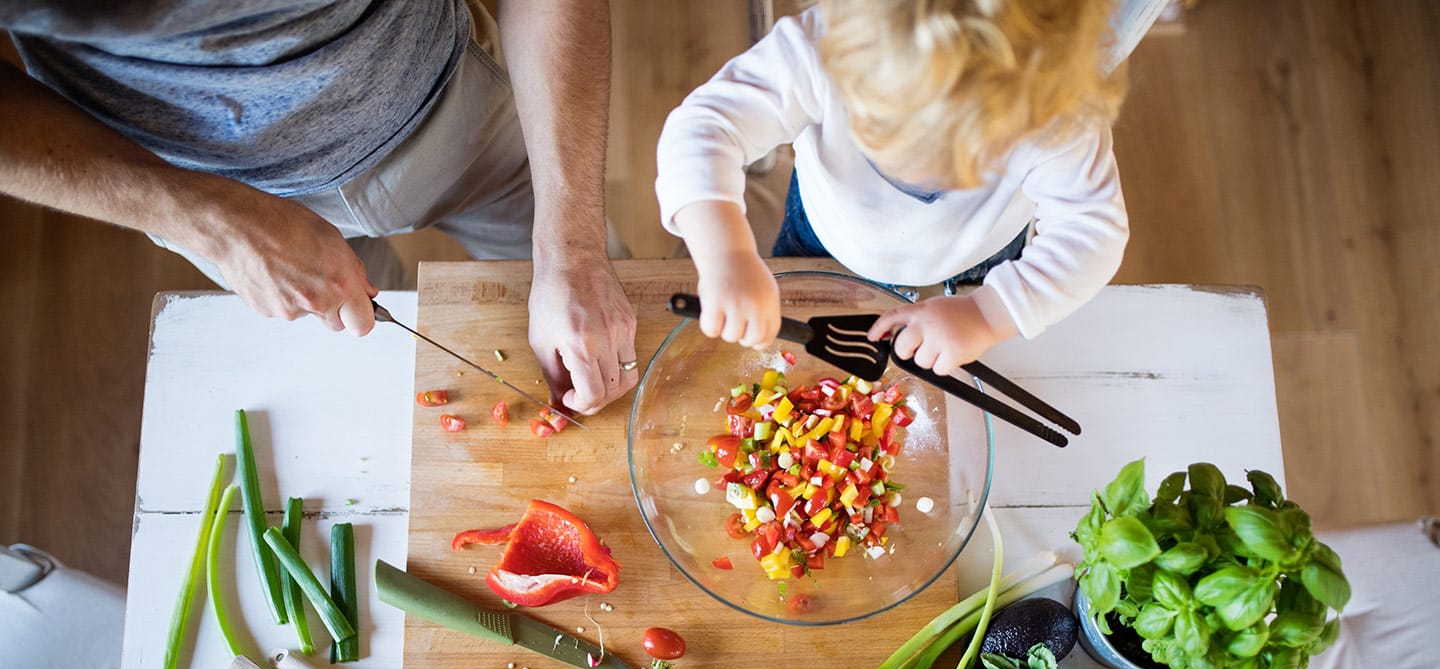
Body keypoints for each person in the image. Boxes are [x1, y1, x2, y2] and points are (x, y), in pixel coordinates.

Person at [0, 0, 637, 415]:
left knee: (601, 324)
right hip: (200, 190)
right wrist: (213, 224)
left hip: (449, 103)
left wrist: (572, 249)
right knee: (381, 382)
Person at [656, 0, 1129, 377]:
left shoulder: (1060, 110)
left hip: (980, 258)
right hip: (825, 235)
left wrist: (988, 314)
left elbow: (1091, 232)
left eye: (966, 156)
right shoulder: (825, 47)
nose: (921, 175)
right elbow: (705, 127)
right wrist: (727, 257)